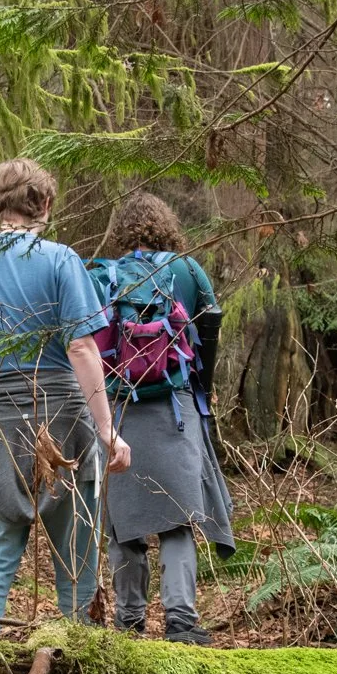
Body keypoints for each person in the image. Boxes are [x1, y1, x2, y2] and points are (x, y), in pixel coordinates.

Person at [0, 159, 132, 632]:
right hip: (62, 421)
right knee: (77, 563)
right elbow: (82, 346)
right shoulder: (62, 260)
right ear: (44, 204)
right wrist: (107, 431)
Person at [98, 193, 235, 644]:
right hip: (176, 409)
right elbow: (209, 329)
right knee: (177, 520)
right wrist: (205, 387)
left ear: (122, 233)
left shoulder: (106, 275)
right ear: (168, 226)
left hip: (120, 411)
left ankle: (129, 623)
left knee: (125, 522)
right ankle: (181, 621)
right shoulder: (187, 270)